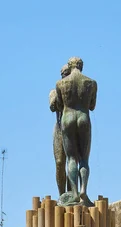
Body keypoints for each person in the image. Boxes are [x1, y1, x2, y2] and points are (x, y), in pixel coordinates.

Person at [55, 56, 97, 206]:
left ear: (70, 66)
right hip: (83, 118)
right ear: (81, 66)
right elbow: (92, 105)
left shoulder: (61, 83)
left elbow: (59, 105)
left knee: (71, 158)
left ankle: (74, 193)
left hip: (67, 119)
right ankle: (83, 190)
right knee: (84, 159)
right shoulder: (91, 83)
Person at [49, 64, 71, 197]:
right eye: (64, 74)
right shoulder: (54, 91)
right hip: (59, 129)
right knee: (59, 162)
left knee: (72, 162)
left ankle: (72, 193)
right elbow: (52, 106)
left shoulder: (74, 93)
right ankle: (62, 194)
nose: (66, 77)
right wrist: (60, 90)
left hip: (72, 130)